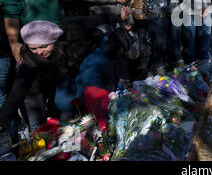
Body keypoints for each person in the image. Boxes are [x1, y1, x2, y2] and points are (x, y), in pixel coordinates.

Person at [0, 7, 133, 133]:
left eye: (43, 46)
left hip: (93, 50)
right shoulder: (30, 58)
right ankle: (76, 120)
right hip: (67, 66)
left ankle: (103, 120)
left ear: (54, 40)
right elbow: (17, 92)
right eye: (33, 48)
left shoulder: (71, 30)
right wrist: (2, 122)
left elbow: (94, 20)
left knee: (87, 84)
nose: (39, 52)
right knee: (63, 102)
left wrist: (118, 17)